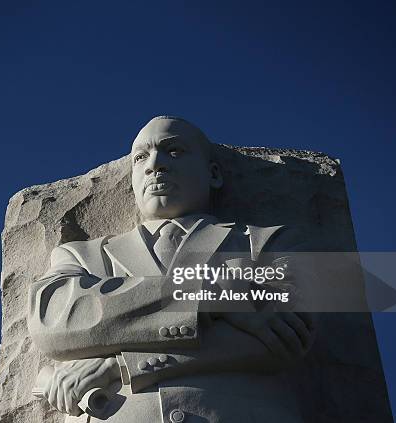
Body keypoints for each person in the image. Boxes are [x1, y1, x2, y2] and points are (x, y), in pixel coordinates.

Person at [27, 116, 316, 422]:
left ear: (213, 173)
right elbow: (54, 322)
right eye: (141, 157)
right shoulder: (81, 255)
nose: (155, 165)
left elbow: (286, 336)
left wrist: (120, 365)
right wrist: (212, 294)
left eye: (174, 151)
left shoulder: (268, 242)